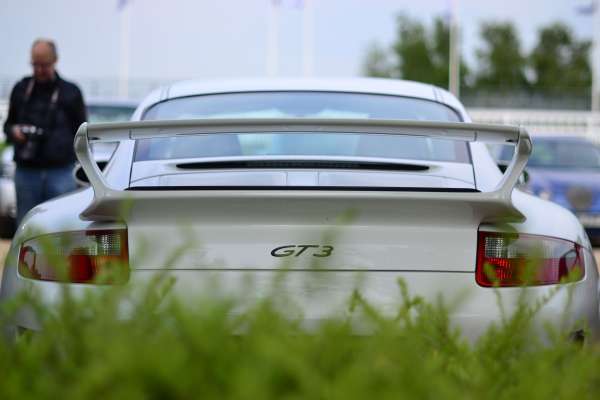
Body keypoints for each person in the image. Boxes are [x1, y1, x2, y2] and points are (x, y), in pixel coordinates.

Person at [3, 39, 87, 224]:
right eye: (35, 65)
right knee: (27, 226)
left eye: (44, 65)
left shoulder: (70, 92)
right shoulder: (21, 89)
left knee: (62, 225)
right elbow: (8, 125)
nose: (40, 70)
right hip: (27, 172)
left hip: (61, 171)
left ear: (55, 60)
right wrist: (15, 131)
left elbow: (82, 133)